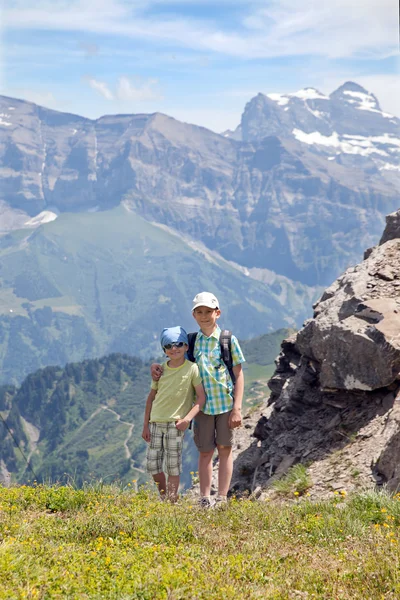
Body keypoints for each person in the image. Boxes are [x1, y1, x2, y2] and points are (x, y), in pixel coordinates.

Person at [151, 293, 245, 507]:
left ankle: (221, 498)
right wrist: (155, 367)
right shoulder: (191, 342)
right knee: (205, 452)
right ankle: (205, 498)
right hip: (201, 407)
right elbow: (175, 361)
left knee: (225, 449)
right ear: (194, 315)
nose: (204, 316)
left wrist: (237, 409)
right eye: (200, 312)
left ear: (217, 313)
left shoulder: (228, 340)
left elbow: (238, 375)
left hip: (225, 406)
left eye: (209, 312)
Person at [142, 326, 205, 502]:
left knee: (173, 467)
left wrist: (187, 419)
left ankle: (171, 501)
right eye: (169, 346)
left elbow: (201, 398)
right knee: (153, 466)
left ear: (186, 347)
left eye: (178, 344)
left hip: (175, 424)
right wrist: (145, 425)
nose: (174, 348)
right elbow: (151, 398)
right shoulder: (160, 370)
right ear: (164, 350)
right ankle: (164, 497)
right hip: (155, 422)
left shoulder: (192, 368)